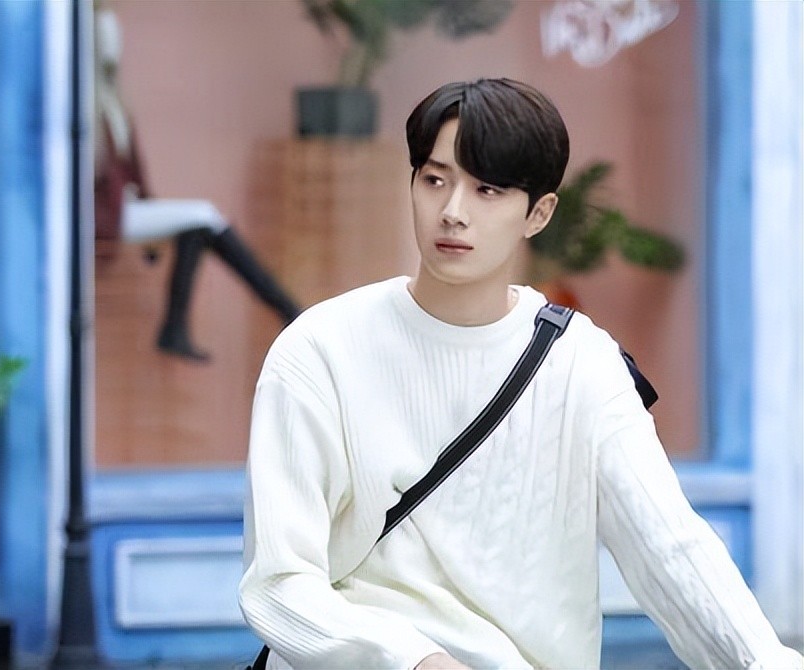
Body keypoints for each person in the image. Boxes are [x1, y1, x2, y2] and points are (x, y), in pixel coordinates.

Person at [238, 78, 803, 669]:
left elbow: (669, 547)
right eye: (435, 180)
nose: (453, 212)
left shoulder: (581, 364)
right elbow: (278, 582)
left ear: (538, 213)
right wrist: (414, 660)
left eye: (487, 190)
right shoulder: (320, 350)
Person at [93, 7, 301, 362]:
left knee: (198, 229)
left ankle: (176, 330)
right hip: (104, 215)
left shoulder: (113, 101)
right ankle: (290, 311)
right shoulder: (85, 104)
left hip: (126, 209)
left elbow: (131, 173)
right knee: (204, 216)